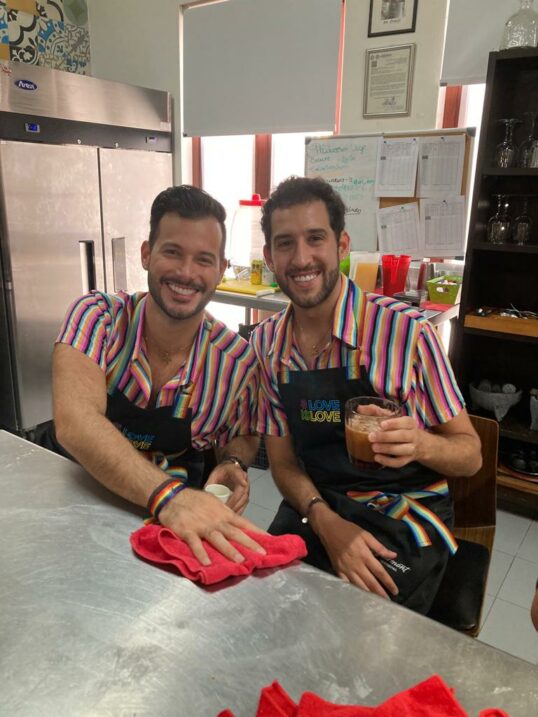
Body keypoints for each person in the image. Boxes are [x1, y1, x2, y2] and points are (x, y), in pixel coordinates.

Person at [251, 176, 482, 614]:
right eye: (285, 244)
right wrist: (325, 520)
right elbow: (281, 463)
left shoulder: (406, 333)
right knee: (267, 610)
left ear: (341, 245)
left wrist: (421, 443)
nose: (301, 258)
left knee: (357, 631)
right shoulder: (266, 346)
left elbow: (469, 455)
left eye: (315, 238)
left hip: (403, 512)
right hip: (317, 503)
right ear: (269, 256)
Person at [50, 185, 265, 565]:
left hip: (178, 537)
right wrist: (171, 497)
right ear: (147, 254)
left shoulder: (237, 362)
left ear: (220, 268)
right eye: (172, 252)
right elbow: (76, 422)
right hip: (79, 512)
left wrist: (233, 464)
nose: (186, 273)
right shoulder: (97, 318)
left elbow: (242, 433)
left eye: (203, 259)